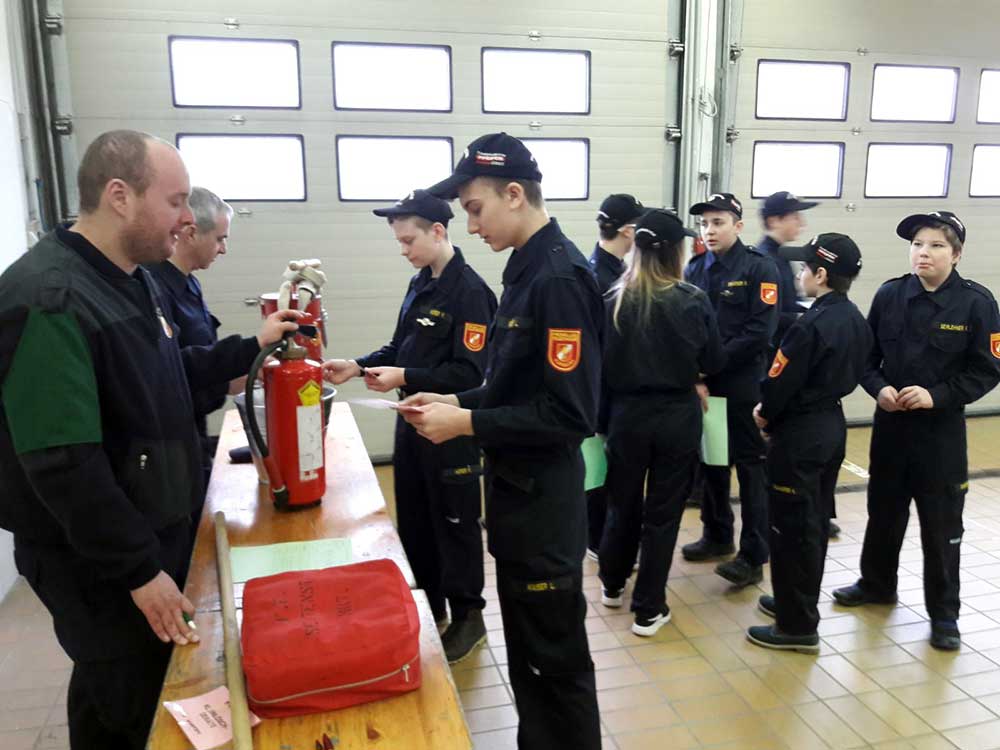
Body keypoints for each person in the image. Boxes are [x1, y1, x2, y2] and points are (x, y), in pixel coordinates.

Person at [0, 130, 301, 749]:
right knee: (131, 698)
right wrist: (139, 570)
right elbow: (63, 462)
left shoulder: (131, 279)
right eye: (176, 201)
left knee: (109, 687)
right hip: (98, 562)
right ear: (119, 196)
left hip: (140, 535)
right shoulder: (51, 299)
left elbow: (168, 375)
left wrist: (251, 348)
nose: (188, 219)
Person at [399, 133, 603, 749]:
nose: (470, 223)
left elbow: (570, 414)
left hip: (544, 509)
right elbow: (514, 387)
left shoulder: (559, 279)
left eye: (476, 208)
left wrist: (466, 424)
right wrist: (456, 400)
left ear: (514, 194)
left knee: (554, 664)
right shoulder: (525, 273)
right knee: (532, 662)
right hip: (519, 501)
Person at [322, 189, 497, 664]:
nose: (403, 250)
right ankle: (429, 603)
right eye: (399, 242)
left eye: (408, 241)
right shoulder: (421, 283)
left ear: (438, 232)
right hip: (411, 425)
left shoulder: (472, 293)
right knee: (417, 521)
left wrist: (407, 377)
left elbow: (470, 374)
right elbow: (402, 346)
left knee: (456, 525)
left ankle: (468, 617)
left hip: (450, 430)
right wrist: (357, 366)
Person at [833, 211, 1000, 651]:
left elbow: (988, 369)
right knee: (883, 513)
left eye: (935, 245)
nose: (922, 252)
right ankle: (876, 584)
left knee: (942, 525)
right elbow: (865, 359)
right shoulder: (890, 296)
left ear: (957, 254)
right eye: (917, 244)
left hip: (940, 436)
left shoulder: (977, 304)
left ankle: (944, 614)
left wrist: (938, 395)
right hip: (891, 429)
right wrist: (879, 388)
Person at [598, 209, 726, 637]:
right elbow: (713, 361)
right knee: (663, 515)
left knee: (623, 504)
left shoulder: (612, 301)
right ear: (676, 252)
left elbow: (598, 369)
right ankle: (648, 609)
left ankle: (613, 585)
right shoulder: (692, 300)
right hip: (676, 416)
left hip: (625, 417)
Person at [745, 233, 871, 653]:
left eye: (804, 268)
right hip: (831, 426)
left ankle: (797, 626)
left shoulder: (810, 325)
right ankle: (793, 601)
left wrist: (764, 414)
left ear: (821, 275)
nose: (798, 275)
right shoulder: (854, 317)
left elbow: (778, 386)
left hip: (799, 435)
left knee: (790, 529)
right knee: (812, 522)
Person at [681, 193, 779, 588]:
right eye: (705, 224)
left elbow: (760, 332)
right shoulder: (695, 268)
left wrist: (709, 364)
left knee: (751, 468)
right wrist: (694, 373)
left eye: (718, 222)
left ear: (738, 226)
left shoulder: (760, 268)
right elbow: (686, 327)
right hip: (706, 387)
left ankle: (754, 554)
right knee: (713, 462)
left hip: (742, 385)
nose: (710, 230)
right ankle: (717, 534)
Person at [757, 191, 842, 538]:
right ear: (775, 219)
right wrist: (808, 320)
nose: (801, 223)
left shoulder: (784, 257)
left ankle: (811, 514)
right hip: (776, 370)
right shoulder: (765, 260)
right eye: (794, 216)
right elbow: (769, 320)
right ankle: (771, 527)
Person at [146, 186, 238, 503]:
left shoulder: (189, 283)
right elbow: (169, 373)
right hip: (168, 450)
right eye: (220, 239)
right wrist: (229, 379)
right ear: (191, 233)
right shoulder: (153, 289)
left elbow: (203, 352)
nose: (223, 249)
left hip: (194, 435)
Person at [587, 192, 644, 560]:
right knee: (603, 476)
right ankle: (600, 542)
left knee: (607, 475)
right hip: (604, 398)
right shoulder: (601, 277)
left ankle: (603, 540)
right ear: (627, 230)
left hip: (608, 396)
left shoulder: (613, 269)